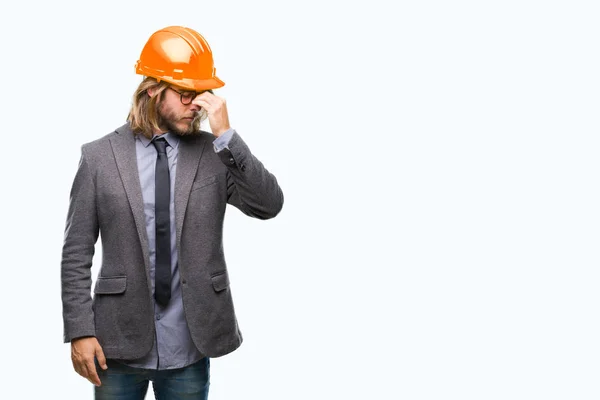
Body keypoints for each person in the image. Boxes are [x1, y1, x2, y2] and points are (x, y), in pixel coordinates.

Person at [60, 25, 284, 399]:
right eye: (185, 95)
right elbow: (75, 252)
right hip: (117, 344)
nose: (196, 105)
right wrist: (80, 331)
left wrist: (227, 135)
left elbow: (268, 204)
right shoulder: (98, 157)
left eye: (201, 95)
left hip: (190, 344)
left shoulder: (215, 154)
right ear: (152, 90)